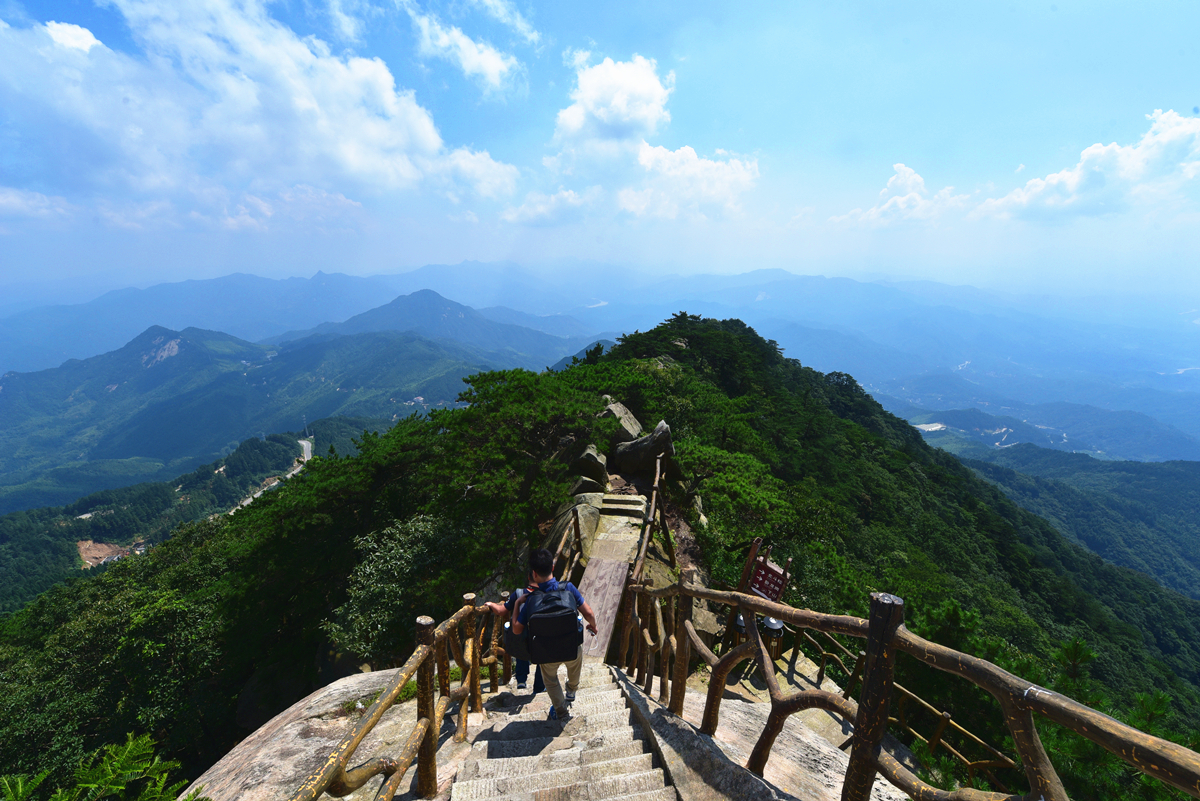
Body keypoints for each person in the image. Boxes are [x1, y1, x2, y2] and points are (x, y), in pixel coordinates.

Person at [511, 548, 598, 721]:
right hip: (571, 646)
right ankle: (571, 690)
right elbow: (589, 613)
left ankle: (561, 711)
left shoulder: (531, 600)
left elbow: (516, 629)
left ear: (534, 574)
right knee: (575, 666)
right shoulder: (568, 588)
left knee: (550, 680)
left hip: (546, 652)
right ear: (552, 566)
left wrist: (517, 603)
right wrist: (593, 626)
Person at [483, 574, 545, 695]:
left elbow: (501, 610)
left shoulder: (518, 593)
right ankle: (540, 686)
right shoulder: (545, 593)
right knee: (542, 655)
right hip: (539, 637)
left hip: (521, 637)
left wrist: (491, 604)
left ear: (528, 577)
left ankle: (521, 680)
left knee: (519, 642)